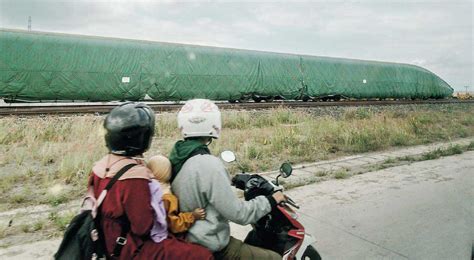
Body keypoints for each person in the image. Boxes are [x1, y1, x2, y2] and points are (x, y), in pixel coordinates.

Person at [87, 102, 213, 260]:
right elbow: (143, 227)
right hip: (130, 248)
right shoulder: (134, 177)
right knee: (203, 255)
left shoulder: (100, 167)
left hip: (106, 238)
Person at [170, 99, 286, 259]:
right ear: (214, 124)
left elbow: (195, 181)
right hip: (210, 245)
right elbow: (239, 214)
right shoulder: (209, 164)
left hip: (185, 240)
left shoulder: (176, 156)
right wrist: (270, 201)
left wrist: (229, 180)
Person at [147, 155, 206, 235]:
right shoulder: (167, 196)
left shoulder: (145, 186)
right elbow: (174, 225)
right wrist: (193, 216)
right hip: (160, 234)